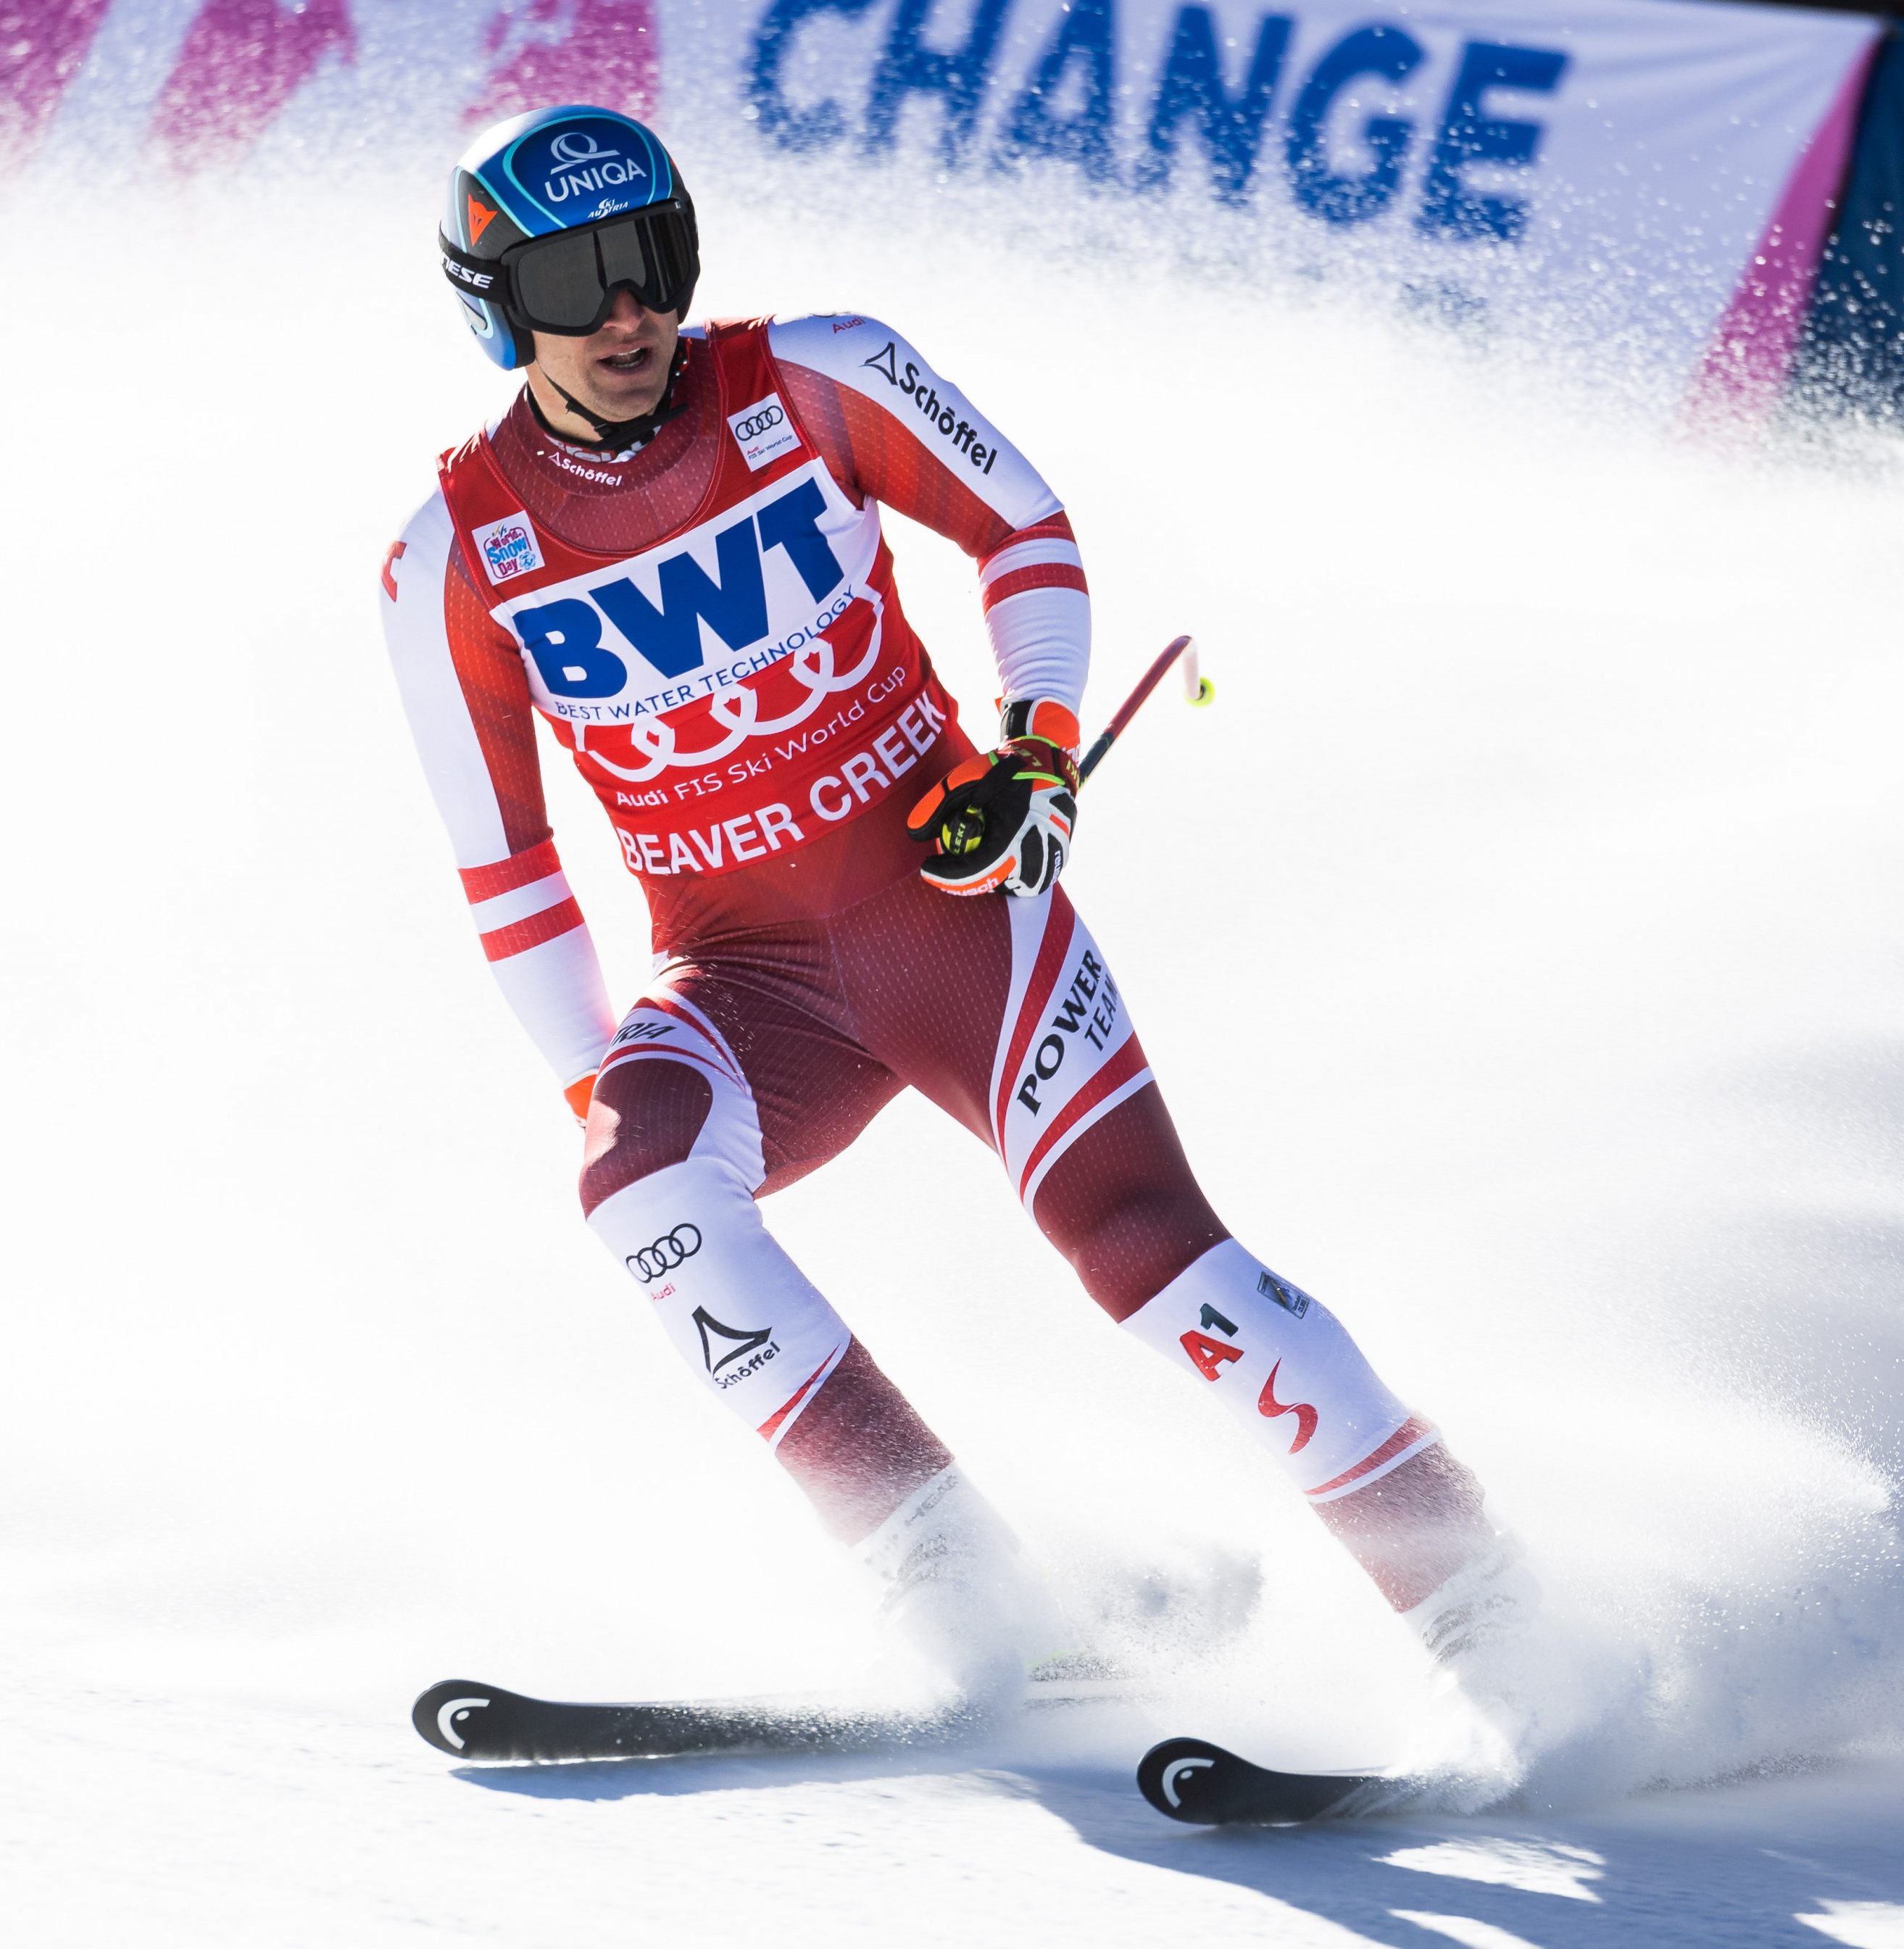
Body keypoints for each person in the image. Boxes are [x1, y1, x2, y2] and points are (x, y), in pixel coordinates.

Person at [381, 103, 1523, 1711]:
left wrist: (1037, 749)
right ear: (496, 305)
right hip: (741, 983)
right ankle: (973, 1600)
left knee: (1147, 1258)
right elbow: (507, 871)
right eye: (571, 280)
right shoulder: (448, 554)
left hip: (951, 912)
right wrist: (598, 1098)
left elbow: (1021, 524)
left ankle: (1490, 1608)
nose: (625, 310)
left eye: (649, 258)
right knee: (638, 1194)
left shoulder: (817, 372)